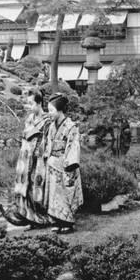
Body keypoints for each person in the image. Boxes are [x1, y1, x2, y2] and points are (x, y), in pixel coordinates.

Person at [10, 88, 53, 228]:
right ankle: (29, 218)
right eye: (28, 104)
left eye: (31, 104)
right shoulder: (29, 119)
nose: (29, 107)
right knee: (26, 188)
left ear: (39, 103)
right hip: (26, 158)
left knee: (37, 187)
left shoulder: (47, 120)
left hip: (38, 159)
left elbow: (48, 140)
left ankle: (41, 218)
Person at [44, 92, 83, 234]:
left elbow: (73, 146)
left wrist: (68, 164)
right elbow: (48, 144)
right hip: (52, 163)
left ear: (60, 110)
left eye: (51, 111)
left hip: (65, 164)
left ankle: (67, 222)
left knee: (65, 194)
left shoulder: (71, 127)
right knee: (53, 195)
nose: (49, 114)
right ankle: (56, 220)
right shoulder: (52, 126)